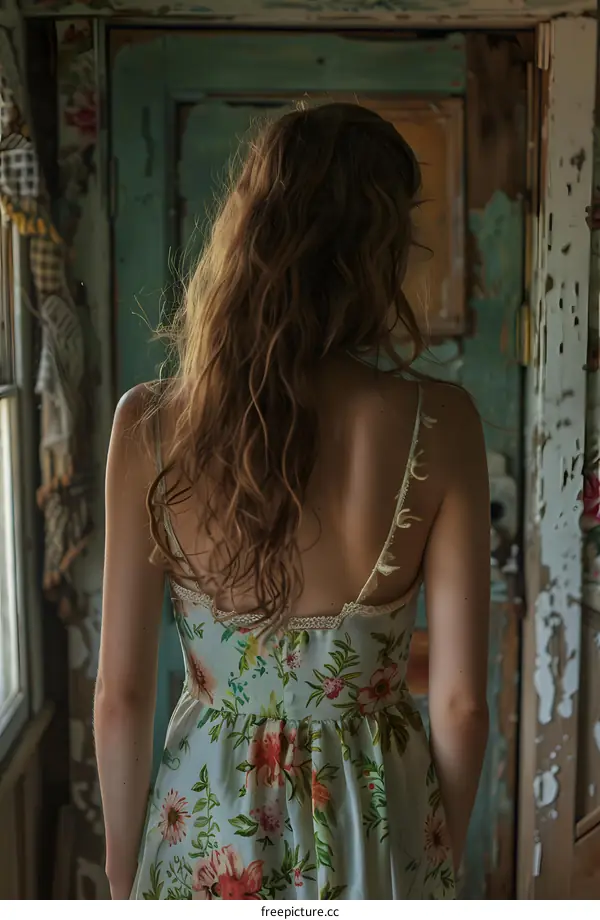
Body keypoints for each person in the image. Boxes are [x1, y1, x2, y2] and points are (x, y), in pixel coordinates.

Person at [95, 102, 490, 901]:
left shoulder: (150, 425)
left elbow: (122, 695)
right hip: (379, 820)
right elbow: (461, 703)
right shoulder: (441, 422)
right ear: (377, 249)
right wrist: (429, 839)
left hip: (205, 830)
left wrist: (117, 862)